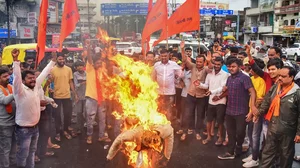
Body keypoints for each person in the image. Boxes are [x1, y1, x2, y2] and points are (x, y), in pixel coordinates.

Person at [12, 48, 56, 168]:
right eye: (29, 78)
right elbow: (16, 78)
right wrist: (16, 61)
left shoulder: (36, 86)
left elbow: (44, 74)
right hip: (23, 130)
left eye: (33, 78)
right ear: (23, 80)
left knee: (31, 153)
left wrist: (52, 61)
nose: (33, 80)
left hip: (35, 128)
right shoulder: (19, 90)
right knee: (23, 155)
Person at [253, 66, 300, 168]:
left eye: (283, 76)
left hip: (288, 131)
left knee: (285, 156)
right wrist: (258, 113)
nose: (280, 78)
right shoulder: (275, 87)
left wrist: (298, 133)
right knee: (267, 153)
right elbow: (266, 102)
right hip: (272, 127)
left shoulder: (297, 93)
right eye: (279, 76)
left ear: (291, 77)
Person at [217, 58, 258, 160]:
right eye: (229, 67)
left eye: (233, 66)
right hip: (230, 110)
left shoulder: (245, 78)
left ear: (240, 67)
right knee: (230, 133)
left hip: (241, 111)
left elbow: (252, 92)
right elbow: (228, 91)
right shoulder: (229, 78)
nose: (231, 68)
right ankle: (230, 152)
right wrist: (220, 96)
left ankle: (238, 149)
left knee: (240, 133)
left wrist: (252, 107)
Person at [179, 41, 213, 141]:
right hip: (190, 95)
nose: (198, 63)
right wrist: (182, 49)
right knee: (187, 114)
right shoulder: (193, 67)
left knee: (200, 116)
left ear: (204, 62)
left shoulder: (206, 69)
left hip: (201, 96)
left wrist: (209, 61)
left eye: (200, 62)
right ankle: (184, 132)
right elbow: (185, 60)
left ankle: (197, 132)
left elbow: (211, 68)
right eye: (197, 61)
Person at [107, 120, 174, 167]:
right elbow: (119, 139)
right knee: (140, 161)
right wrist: (110, 156)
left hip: (153, 123)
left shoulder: (165, 130)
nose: (154, 140)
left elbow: (170, 138)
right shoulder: (134, 134)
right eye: (150, 142)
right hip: (139, 140)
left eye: (153, 139)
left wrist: (167, 156)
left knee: (154, 161)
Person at [242, 58, 266, 167]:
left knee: (256, 135)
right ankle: (253, 154)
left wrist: (252, 112)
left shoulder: (262, 80)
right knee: (250, 134)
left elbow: (259, 99)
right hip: (250, 110)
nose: (250, 70)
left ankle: (255, 159)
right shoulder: (251, 78)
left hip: (256, 112)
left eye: (252, 68)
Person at [200, 57, 229, 145]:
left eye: (218, 64)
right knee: (209, 120)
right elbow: (206, 85)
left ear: (222, 65)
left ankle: (220, 138)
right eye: (215, 64)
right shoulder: (209, 74)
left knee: (220, 121)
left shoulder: (225, 75)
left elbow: (223, 88)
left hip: (221, 101)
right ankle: (209, 137)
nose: (216, 66)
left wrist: (212, 92)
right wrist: (199, 84)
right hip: (211, 101)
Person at [85, 45, 111, 144]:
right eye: (97, 63)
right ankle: (89, 136)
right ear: (94, 64)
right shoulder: (90, 69)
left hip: (102, 99)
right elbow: (89, 58)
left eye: (100, 63)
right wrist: (88, 49)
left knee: (102, 119)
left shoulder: (103, 71)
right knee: (90, 120)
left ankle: (101, 136)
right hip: (91, 99)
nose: (99, 64)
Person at [51, 53, 78, 141]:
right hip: (56, 96)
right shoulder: (52, 70)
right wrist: (50, 90)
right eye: (60, 59)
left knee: (68, 114)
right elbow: (49, 82)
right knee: (57, 116)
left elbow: (70, 82)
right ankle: (58, 132)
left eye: (63, 59)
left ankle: (66, 130)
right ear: (57, 60)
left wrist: (74, 93)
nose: (62, 61)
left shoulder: (68, 69)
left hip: (67, 95)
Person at [151, 49, 182, 121]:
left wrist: (178, 79)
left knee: (169, 111)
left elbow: (181, 74)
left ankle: (168, 127)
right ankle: (159, 127)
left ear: (169, 56)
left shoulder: (173, 64)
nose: (164, 58)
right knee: (159, 110)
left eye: (165, 56)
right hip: (159, 92)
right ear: (160, 56)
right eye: (162, 56)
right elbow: (153, 77)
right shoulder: (156, 65)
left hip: (170, 93)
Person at [0, 66, 16, 168]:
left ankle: (12, 164)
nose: (8, 77)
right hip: (4, 124)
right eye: (5, 76)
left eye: (8, 75)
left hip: (14, 121)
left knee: (14, 145)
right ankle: (4, 166)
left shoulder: (10, 86)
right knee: (5, 148)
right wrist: (17, 91)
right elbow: (5, 100)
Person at [73, 61, 86, 135]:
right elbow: (75, 85)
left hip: (86, 96)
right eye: (78, 66)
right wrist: (82, 83)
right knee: (79, 113)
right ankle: (79, 128)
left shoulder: (87, 73)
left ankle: (86, 124)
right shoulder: (75, 74)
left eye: (81, 65)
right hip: (78, 96)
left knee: (86, 112)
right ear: (76, 68)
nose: (80, 67)